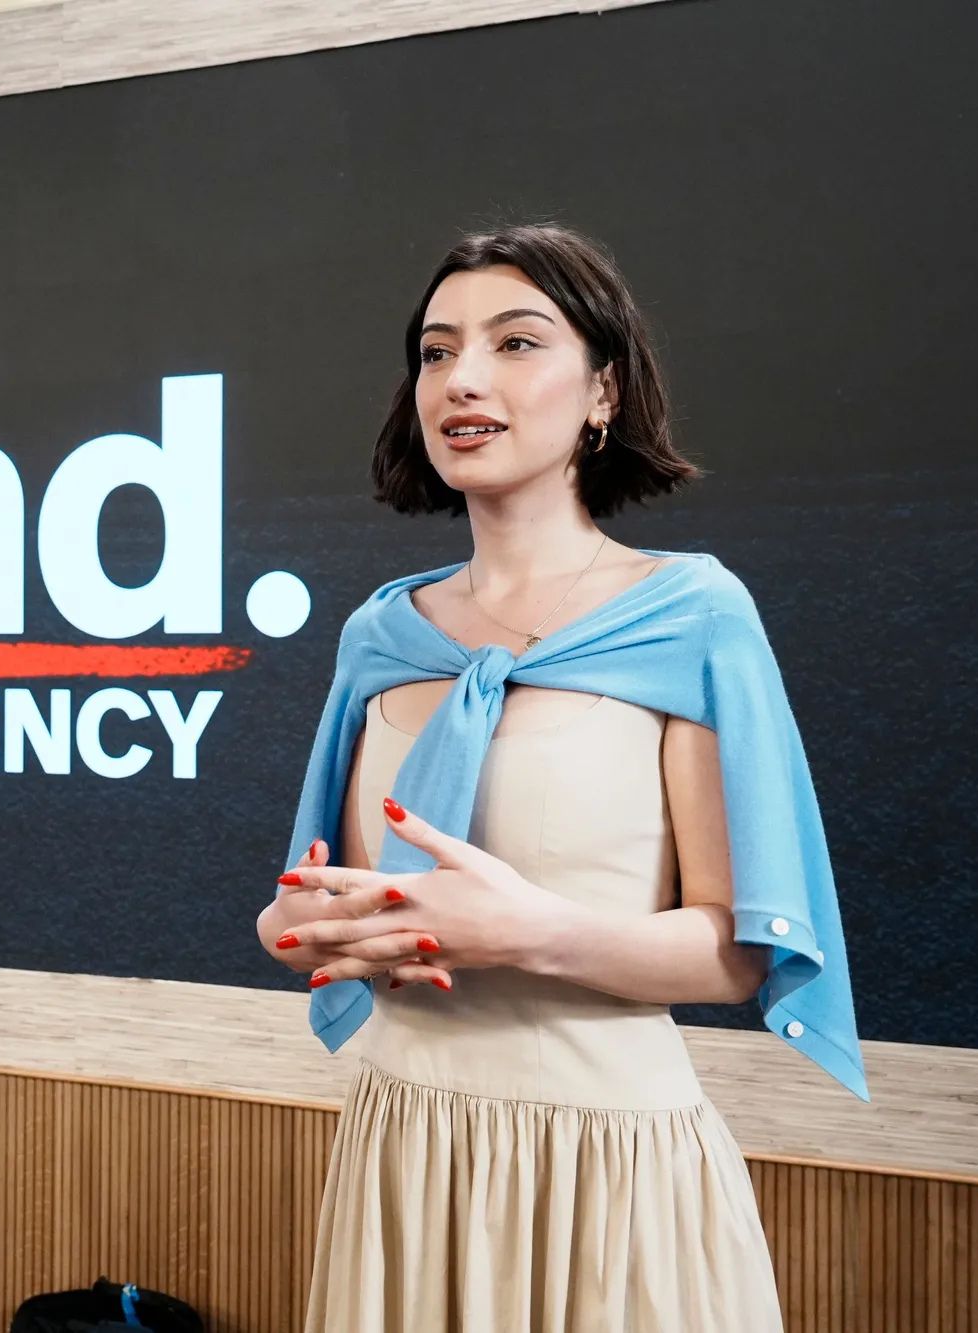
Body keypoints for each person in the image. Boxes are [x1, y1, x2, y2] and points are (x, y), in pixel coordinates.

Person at [256, 223, 791, 1331]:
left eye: (514, 343)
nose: (463, 378)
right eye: (435, 350)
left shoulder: (689, 615)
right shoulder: (379, 634)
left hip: (607, 1159)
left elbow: (736, 949)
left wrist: (524, 930)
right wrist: (305, 927)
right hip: (406, 1147)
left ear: (601, 391)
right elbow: (341, 894)